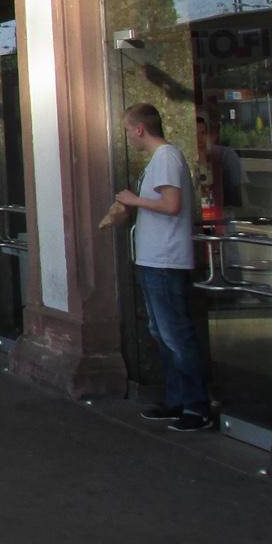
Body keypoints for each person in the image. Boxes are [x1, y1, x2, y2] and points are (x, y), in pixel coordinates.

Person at [113, 103, 212, 432]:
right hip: (153, 258)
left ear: (139, 129)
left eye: (128, 130)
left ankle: (196, 405)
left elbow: (172, 204)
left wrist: (133, 200)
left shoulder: (167, 158)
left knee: (176, 334)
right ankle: (177, 399)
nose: (129, 137)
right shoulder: (158, 160)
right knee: (162, 333)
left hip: (166, 259)